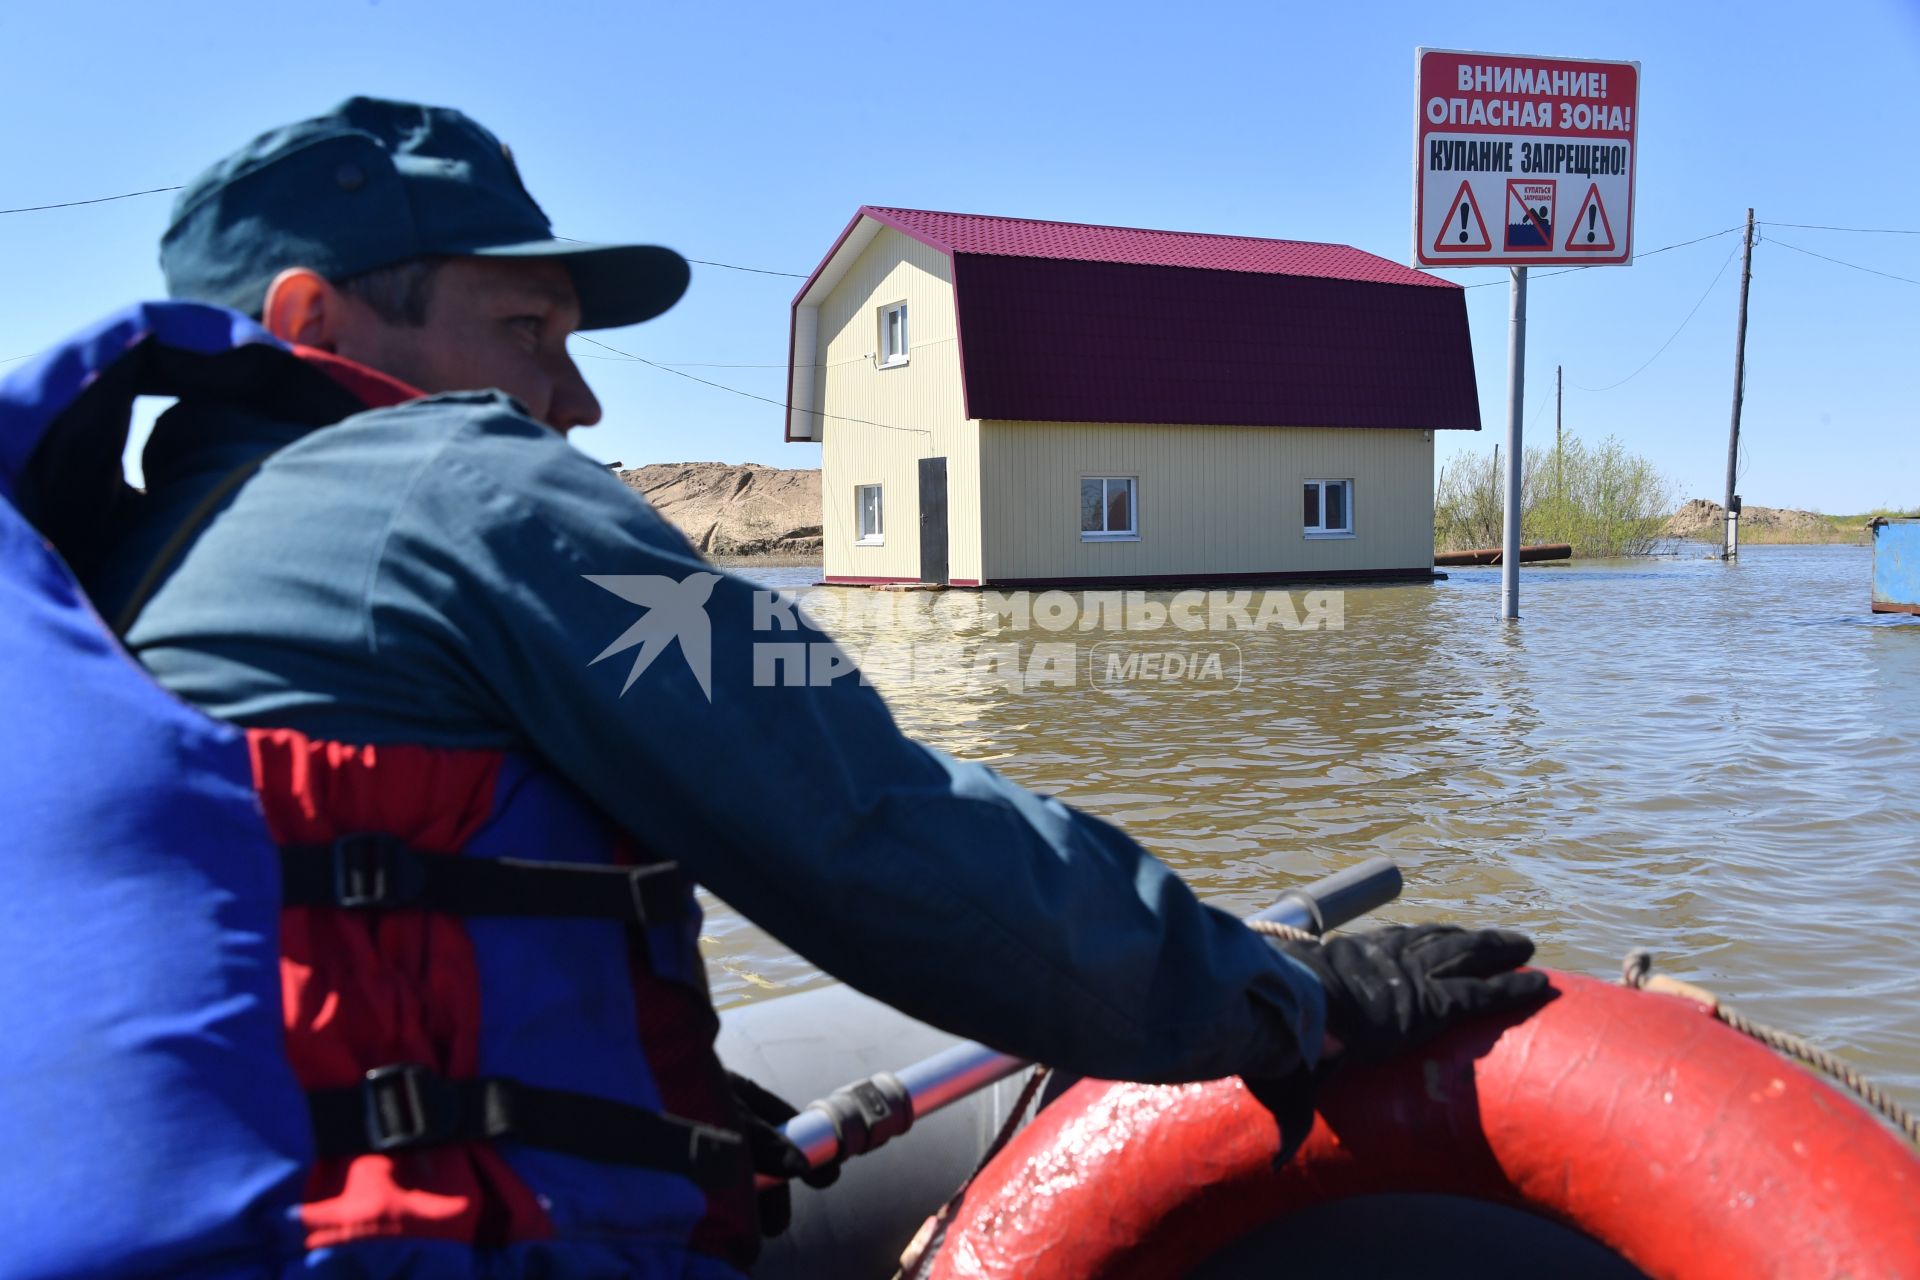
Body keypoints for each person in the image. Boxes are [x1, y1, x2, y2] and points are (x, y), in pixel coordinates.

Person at [60, 97, 1544, 1277]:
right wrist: (1282, 1001)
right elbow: (877, 826)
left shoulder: (105, 574)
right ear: (315, 321)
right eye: (527, 334)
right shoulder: (469, 495)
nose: (576, 403)